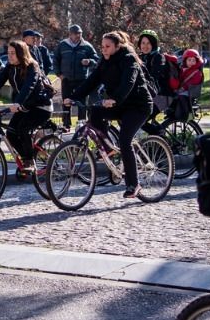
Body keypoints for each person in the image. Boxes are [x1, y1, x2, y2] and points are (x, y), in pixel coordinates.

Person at [63, 30, 154, 199]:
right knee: (95, 112)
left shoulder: (128, 59)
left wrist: (115, 99)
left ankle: (133, 184)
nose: (103, 49)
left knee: (125, 140)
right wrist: (73, 97)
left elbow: (128, 82)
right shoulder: (104, 62)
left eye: (107, 46)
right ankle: (109, 149)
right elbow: (91, 81)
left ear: (117, 46)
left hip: (138, 106)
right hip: (119, 105)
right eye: (102, 46)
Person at [0, 38, 52, 177]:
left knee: (23, 129)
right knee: (11, 133)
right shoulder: (9, 67)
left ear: (21, 53)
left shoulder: (32, 66)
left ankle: (29, 161)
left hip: (40, 107)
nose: (10, 56)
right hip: (23, 107)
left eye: (13, 53)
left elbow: (29, 86)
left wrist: (18, 103)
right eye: (8, 53)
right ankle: (26, 158)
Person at [53, 24, 99, 128]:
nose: (78, 35)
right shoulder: (62, 45)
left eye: (80, 33)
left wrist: (89, 61)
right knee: (66, 102)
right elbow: (55, 60)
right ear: (70, 34)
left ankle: (81, 124)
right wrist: (59, 74)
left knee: (82, 103)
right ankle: (66, 125)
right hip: (66, 79)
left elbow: (96, 59)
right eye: (75, 33)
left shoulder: (87, 46)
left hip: (82, 79)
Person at [136, 30, 171, 113]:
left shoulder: (159, 57)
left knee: (138, 116)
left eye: (149, 43)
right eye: (143, 43)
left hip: (161, 97)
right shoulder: (139, 57)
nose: (145, 46)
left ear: (154, 44)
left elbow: (153, 77)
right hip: (147, 95)